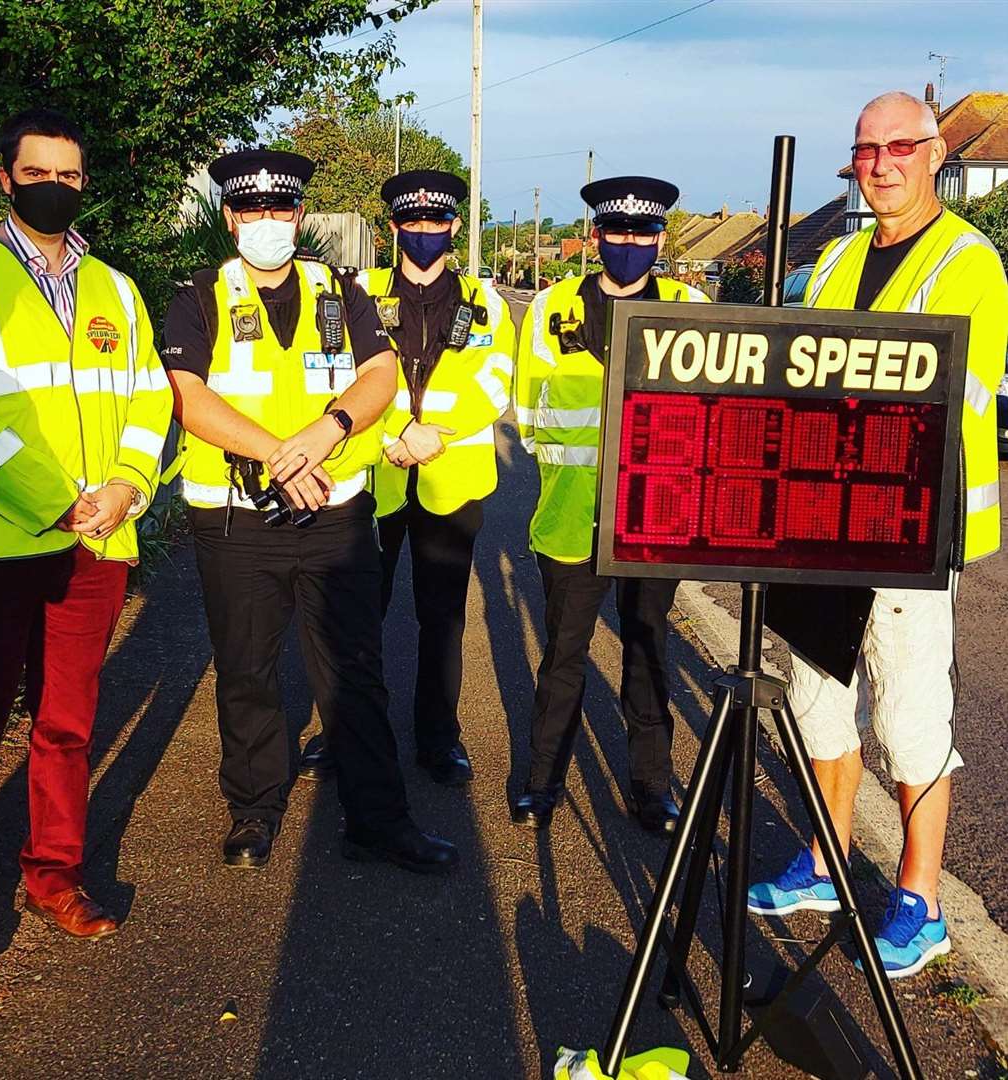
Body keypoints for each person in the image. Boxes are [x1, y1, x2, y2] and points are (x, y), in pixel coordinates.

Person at [748, 91, 1008, 979]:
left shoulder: (968, 263)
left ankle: (920, 896)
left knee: (907, 712)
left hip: (910, 529)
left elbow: (931, 390)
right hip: (818, 521)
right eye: (865, 151)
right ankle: (823, 858)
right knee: (817, 696)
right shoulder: (831, 260)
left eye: (900, 146)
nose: (882, 163)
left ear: (934, 153)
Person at [0, 108, 172, 965]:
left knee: (66, 722)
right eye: (37, 173)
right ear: (5, 177)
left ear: (82, 182)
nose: (53, 187)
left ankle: (53, 874)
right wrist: (57, 501)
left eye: (68, 175)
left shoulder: (114, 287)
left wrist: (130, 485)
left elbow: (148, 397)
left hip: (98, 542)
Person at [160, 148, 457, 874]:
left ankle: (378, 821)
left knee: (354, 673)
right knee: (247, 671)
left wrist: (328, 430)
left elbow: (379, 373)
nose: (268, 222)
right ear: (230, 218)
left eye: (281, 209)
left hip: (335, 515)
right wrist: (276, 457)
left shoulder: (342, 289)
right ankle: (254, 811)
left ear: (299, 216)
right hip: (237, 520)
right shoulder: (195, 295)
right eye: (253, 210)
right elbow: (188, 396)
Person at [297, 169, 515, 787]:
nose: (426, 232)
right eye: (413, 222)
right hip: (373, 474)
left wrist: (433, 436)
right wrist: (394, 431)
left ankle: (439, 739)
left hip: (452, 478)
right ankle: (346, 731)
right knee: (357, 612)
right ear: (393, 227)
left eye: (437, 222)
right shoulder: (354, 291)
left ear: (453, 227)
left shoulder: (485, 301)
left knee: (442, 618)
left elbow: (496, 378)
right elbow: (333, 366)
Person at [511, 176, 708, 835]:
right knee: (562, 655)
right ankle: (540, 782)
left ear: (658, 240)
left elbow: (710, 413)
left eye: (643, 234)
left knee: (648, 653)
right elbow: (530, 414)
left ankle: (651, 789)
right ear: (594, 237)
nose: (629, 244)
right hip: (570, 516)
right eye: (616, 232)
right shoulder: (550, 308)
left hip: (657, 513)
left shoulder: (689, 305)